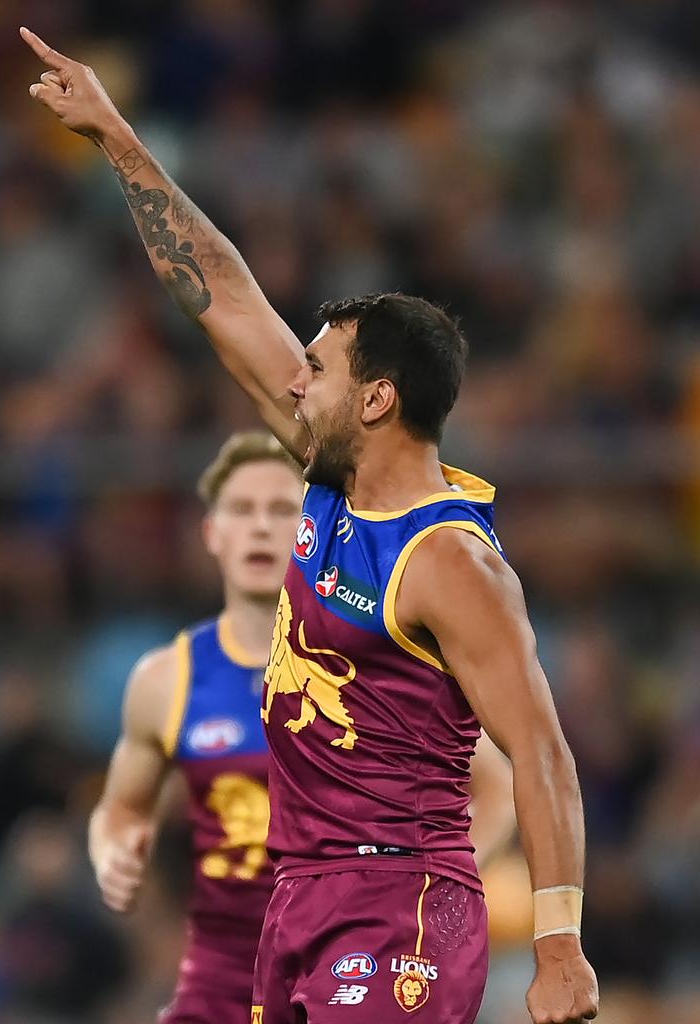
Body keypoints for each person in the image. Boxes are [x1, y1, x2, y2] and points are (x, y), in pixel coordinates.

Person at [22, 27, 599, 1024]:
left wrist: (558, 948)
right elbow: (222, 296)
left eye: (319, 370)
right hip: (299, 897)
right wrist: (116, 136)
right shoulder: (328, 488)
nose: (296, 379)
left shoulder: (447, 558)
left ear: (376, 400)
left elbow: (540, 749)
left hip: (403, 901)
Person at [88, 430, 514, 1024]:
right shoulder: (167, 680)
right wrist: (115, 851)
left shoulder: (371, 658)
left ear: (314, 531)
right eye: (241, 509)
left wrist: (441, 888)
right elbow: (123, 810)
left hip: (356, 942)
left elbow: (497, 785)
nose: (261, 527)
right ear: (212, 533)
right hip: (223, 969)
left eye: (281, 510)